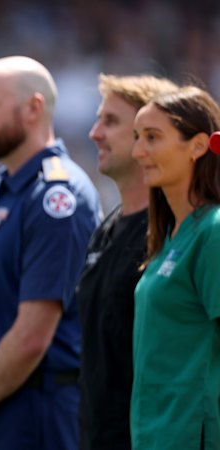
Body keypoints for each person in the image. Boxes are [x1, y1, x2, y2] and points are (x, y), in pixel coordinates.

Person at [0, 56, 102, 450]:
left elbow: (32, 336)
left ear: (34, 108)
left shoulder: (56, 197)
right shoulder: (0, 193)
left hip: (36, 413)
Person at [76, 74, 176, 450]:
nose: (94, 133)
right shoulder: (106, 229)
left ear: (150, 136)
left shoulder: (177, 230)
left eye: (111, 122)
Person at [129, 86, 220, 449]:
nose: (138, 151)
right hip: (154, 435)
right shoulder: (169, 233)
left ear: (198, 146)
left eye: (152, 138)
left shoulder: (212, 231)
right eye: (137, 138)